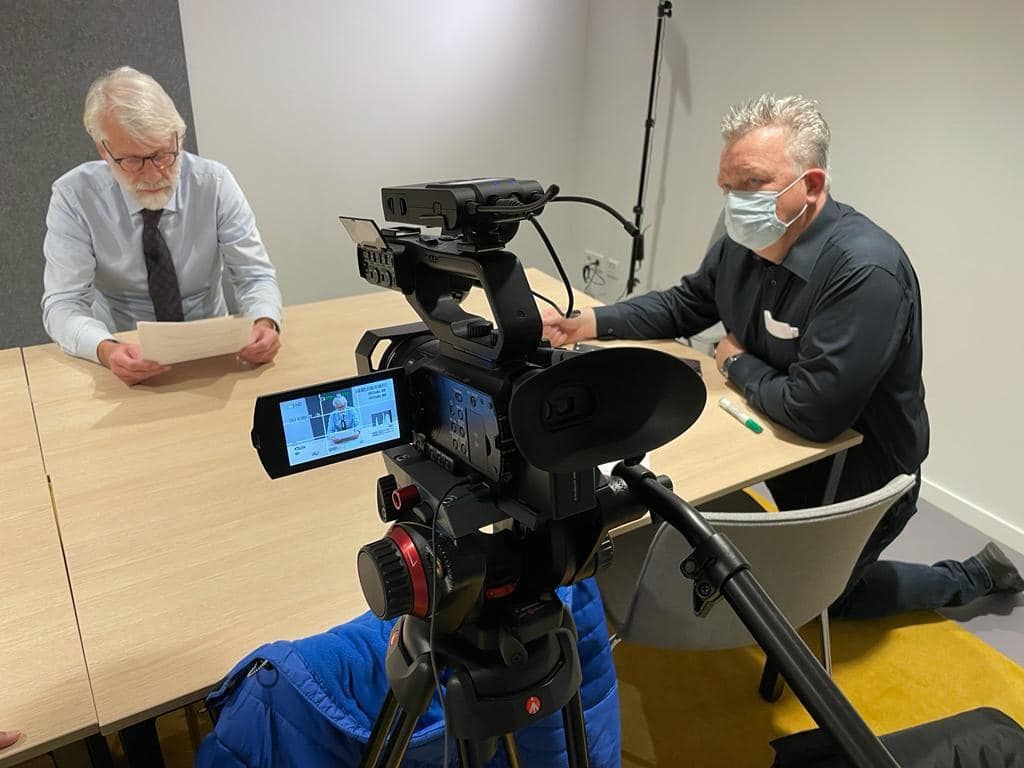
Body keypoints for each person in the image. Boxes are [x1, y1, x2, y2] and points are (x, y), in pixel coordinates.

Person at [543, 94, 1024, 619]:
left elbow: (813, 413)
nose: (734, 201)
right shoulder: (746, 240)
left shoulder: (865, 272)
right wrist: (588, 323)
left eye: (751, 183)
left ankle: (971, 577)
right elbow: (687, 304)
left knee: (815, 601)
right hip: (782, 450)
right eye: (727, 187)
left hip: (862, 475)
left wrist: (733, 361)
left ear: (812, 185)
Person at [42, 66, 283, 385]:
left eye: (163, 155)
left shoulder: (213, 184)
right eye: (132, 161)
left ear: (178, 137)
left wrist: (265, 322)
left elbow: (254, 275)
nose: (154, 174)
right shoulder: (76, 197)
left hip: (212, 352)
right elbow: (63, 303)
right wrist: (106, 349)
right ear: (104, 150)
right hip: (123, 350)